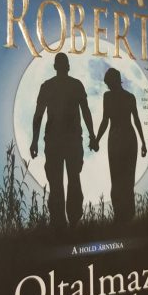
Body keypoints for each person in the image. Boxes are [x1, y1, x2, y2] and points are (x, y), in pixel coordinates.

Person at [30, 52, 96, 230]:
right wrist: (92, 135)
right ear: (67, 67)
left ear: (55, 67)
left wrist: (35, 141)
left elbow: (38, 116)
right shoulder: (74, 85)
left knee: (59, 181)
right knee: (69, 179)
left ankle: (62, 222)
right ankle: (70, 221)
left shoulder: (49, 86)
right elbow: (86, 112)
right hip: (66, 140)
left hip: (59, 141)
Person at [94, 67, 147, 223]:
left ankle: (127, 217)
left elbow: (136, 120)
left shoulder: (121, 97)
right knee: (120, 180)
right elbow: (105, 120)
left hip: (121, 139)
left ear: (115, 81)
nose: (108, 86)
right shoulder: (119, 97)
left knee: (124, 180)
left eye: (109, 83)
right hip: (122, 139)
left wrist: (143, 142)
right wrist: (97, 139)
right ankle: (121, 216)